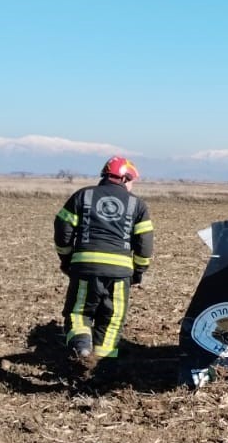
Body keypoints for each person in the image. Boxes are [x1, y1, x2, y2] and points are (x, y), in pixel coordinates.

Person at [53, 156, 154, 378]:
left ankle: (82, 349)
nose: (132, 186)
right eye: (132, 181)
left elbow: (62, 226)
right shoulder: (137, 204)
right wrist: (138, 271)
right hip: (120, 273)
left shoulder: (83, 195)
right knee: (113, 317)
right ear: (125, 177)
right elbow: (145, 243)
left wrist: (66, 257)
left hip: (85, 268)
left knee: (79, 312)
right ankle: (102, 366)